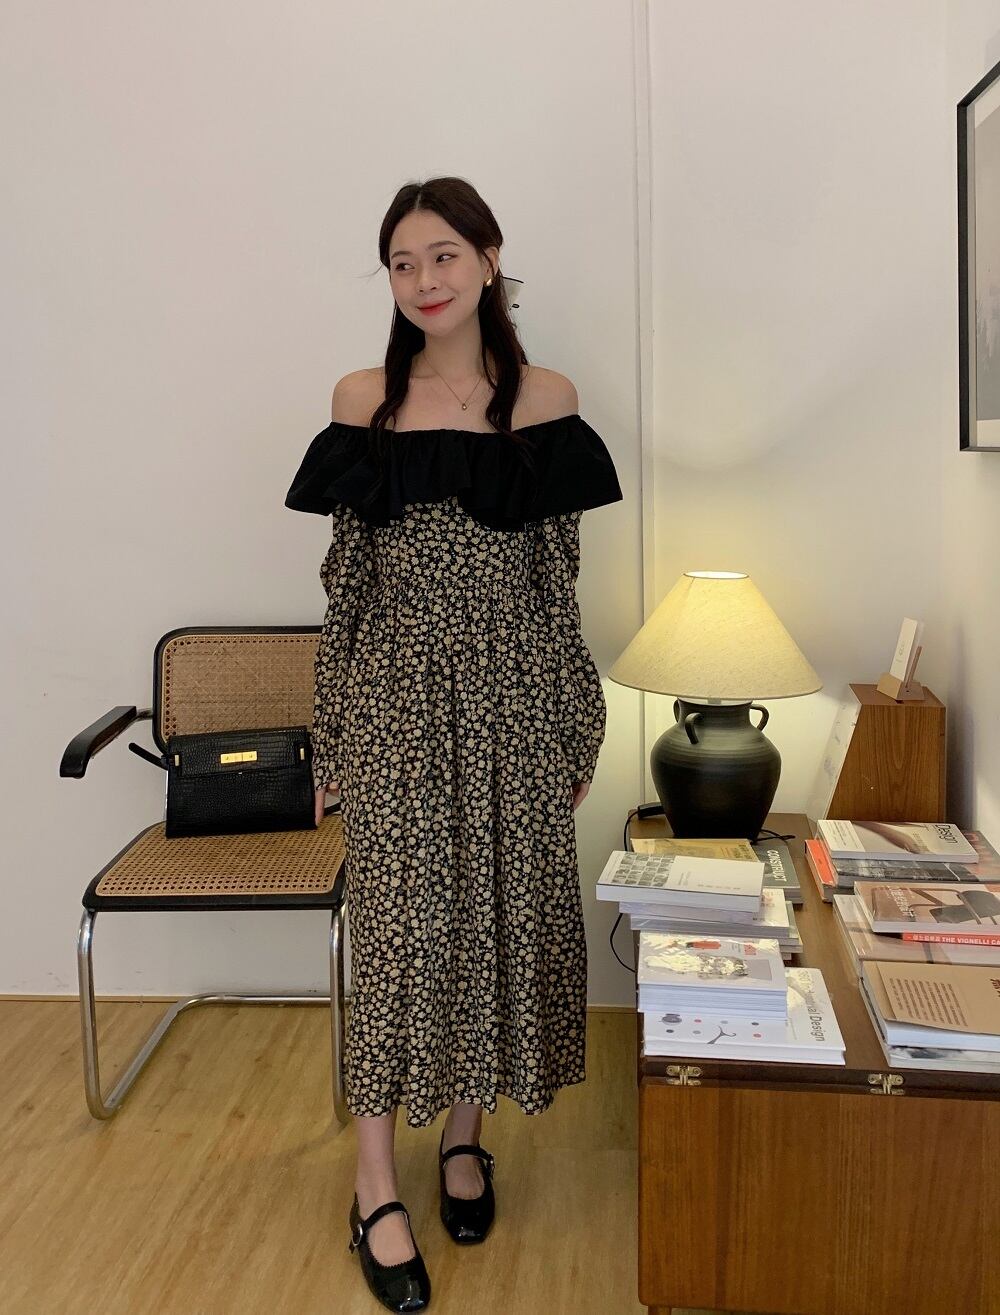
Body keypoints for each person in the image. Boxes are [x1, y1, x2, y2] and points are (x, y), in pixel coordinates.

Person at [284, 176, 622, 1313]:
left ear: (486, 258)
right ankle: (374, 1183)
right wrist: (331, 734)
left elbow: (557, 585)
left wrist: (576, 717)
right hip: (393, 706)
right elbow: (345, 589)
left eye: (442, 255)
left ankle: (464, 1138)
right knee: (397, 938)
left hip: (518, 701)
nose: (423, 280)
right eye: (401, 262)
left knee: (493, 921)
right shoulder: (363, 401)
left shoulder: (547, 400)